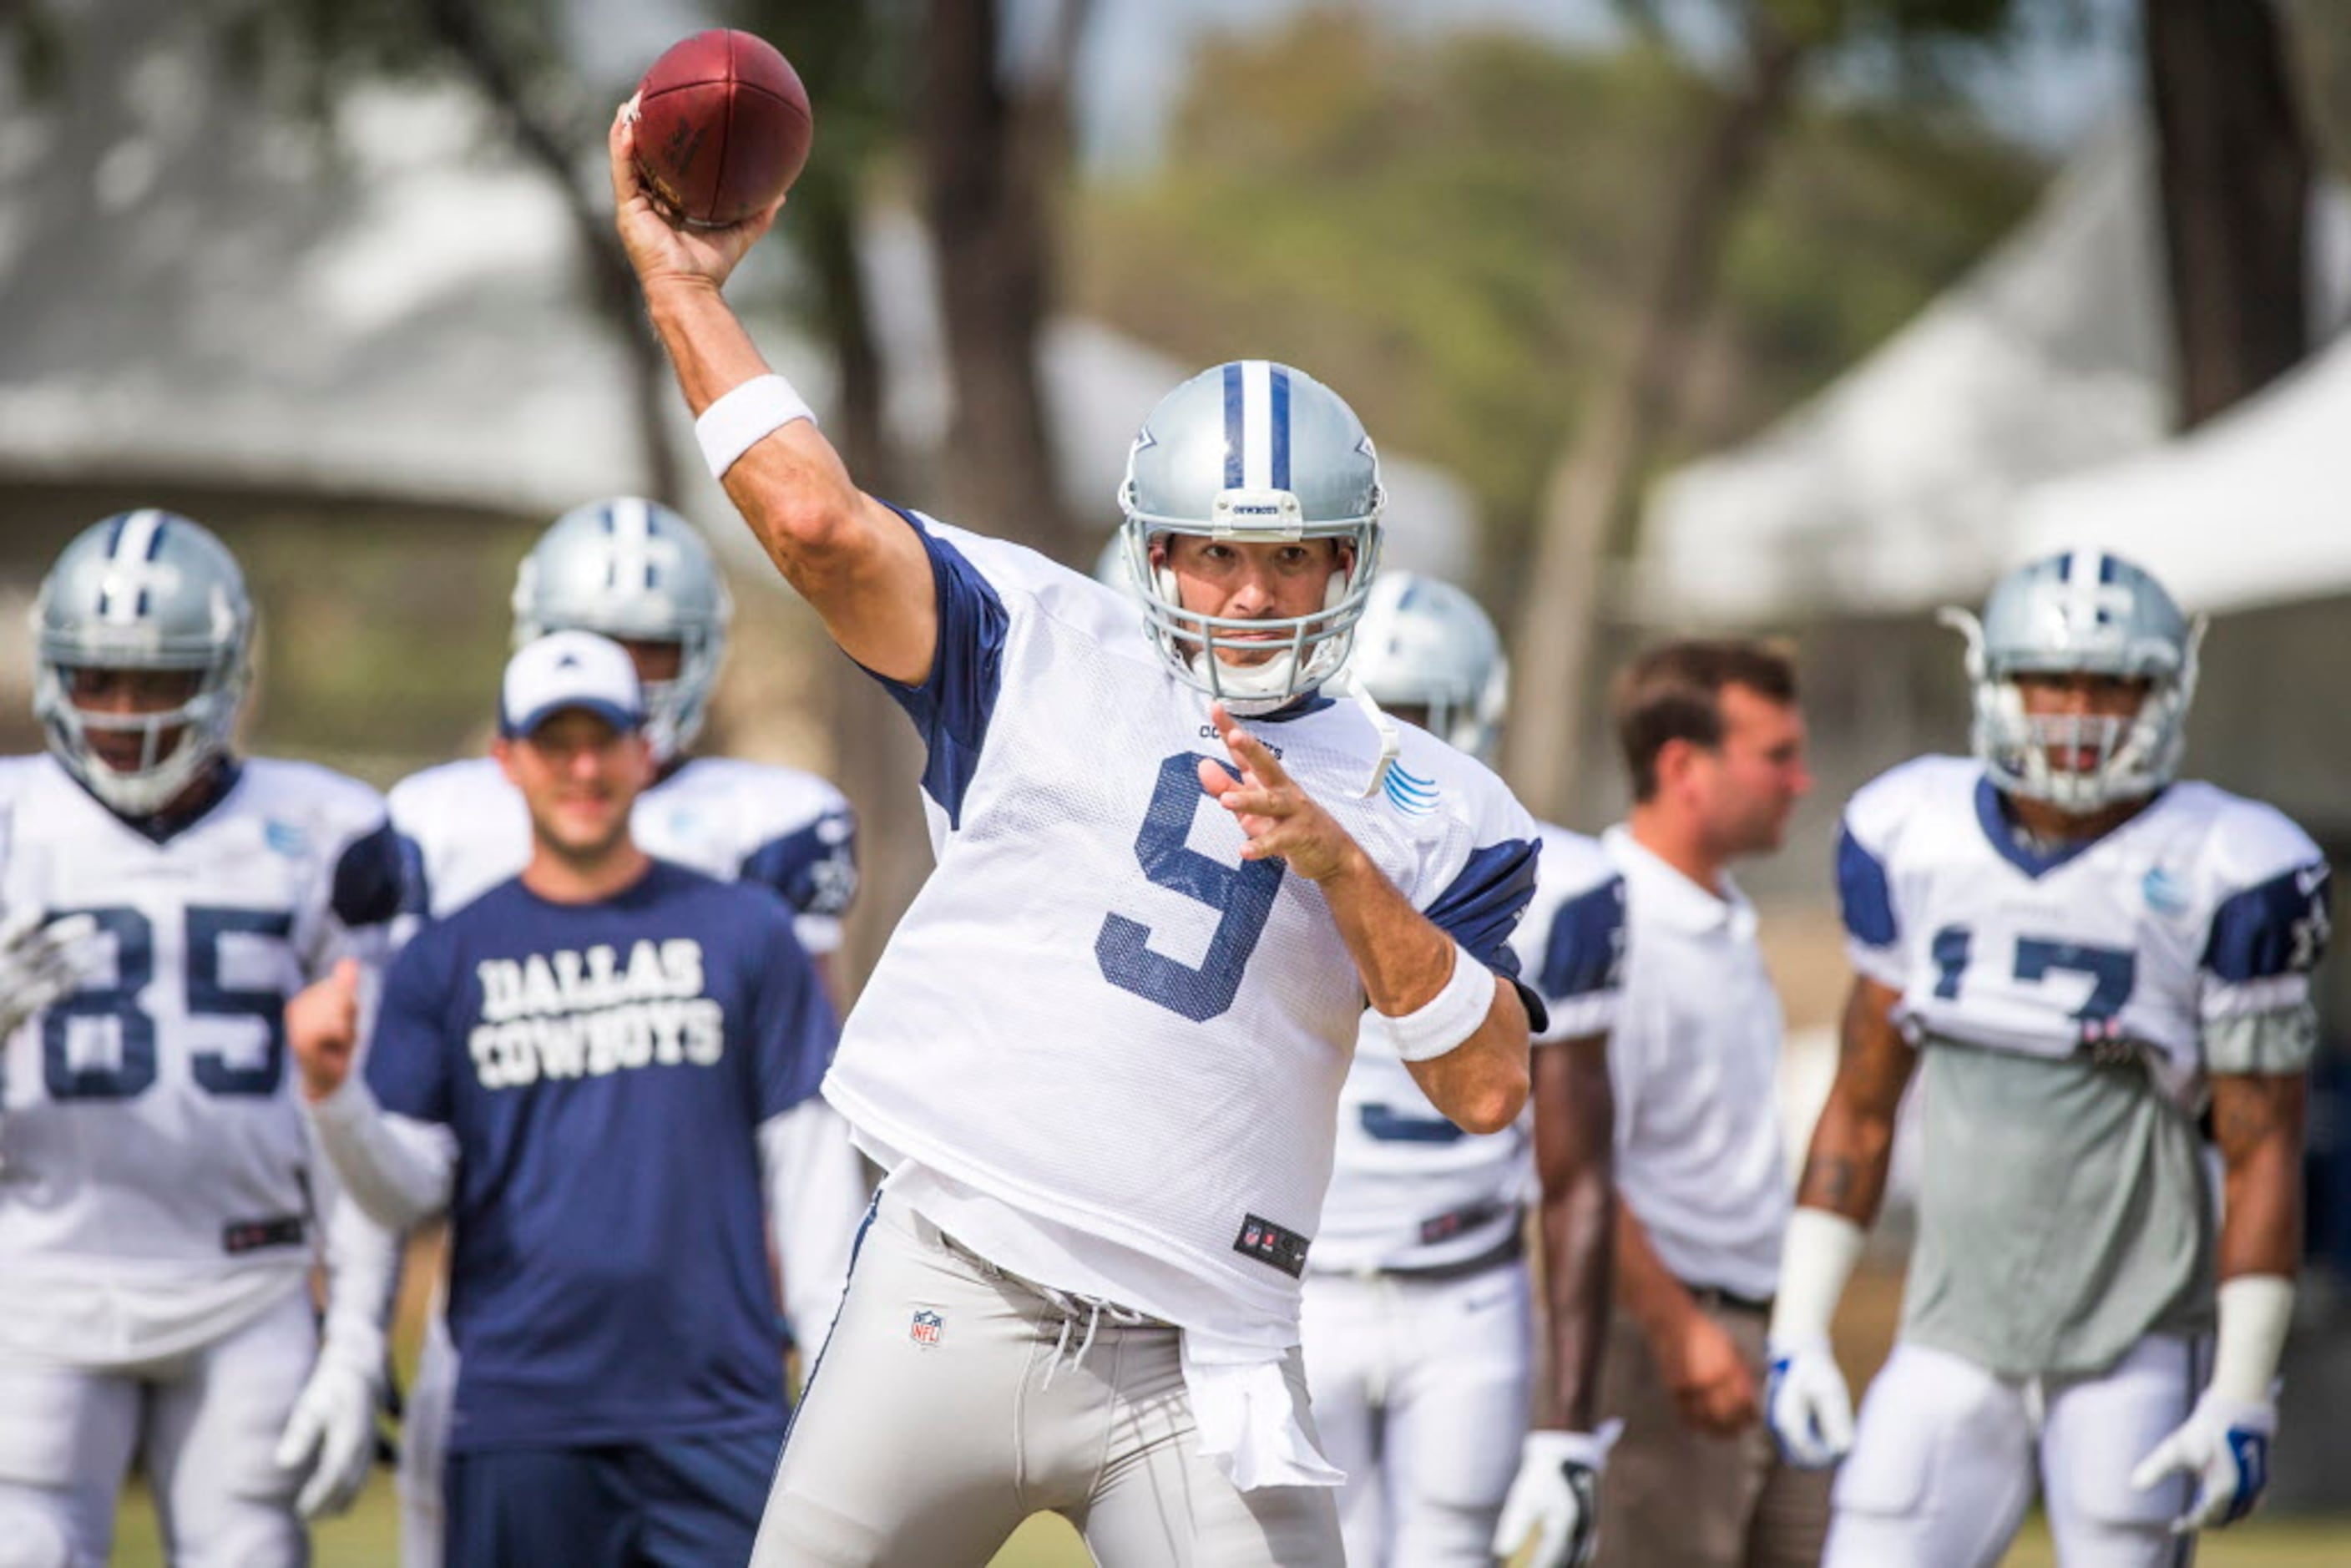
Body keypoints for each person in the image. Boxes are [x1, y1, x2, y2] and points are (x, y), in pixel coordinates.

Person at [609, 101, 1543, 1566]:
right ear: (1150, 547)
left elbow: (1490, 1086)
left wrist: (1340, 863)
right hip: (952, 1282)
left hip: (1206, 1353)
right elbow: (813, 525)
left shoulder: (1430, 797)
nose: (1247, 594)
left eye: (1290, 556)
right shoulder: (1040, 639)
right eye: (1214, 551)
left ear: (1348, 567)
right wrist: (683, 290)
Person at [1767, 550, 2332, 1565]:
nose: (2077, 710)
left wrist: (2243, 1387)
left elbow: (2262, 1149)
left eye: (2111, 683)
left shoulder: (2228, 868)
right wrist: (1798, 1323)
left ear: (2165, 693)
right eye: (2050, 679)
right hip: (1950, 1334)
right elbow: (1859, 1104)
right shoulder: (1914, 837)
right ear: (1994, 684)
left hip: (2135, 1339)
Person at [291, 630, 846, 1568]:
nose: (582, 770)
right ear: (506, 760)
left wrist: (834, 1367)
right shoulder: (446, 956)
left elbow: (810, 1168)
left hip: (718, 1408)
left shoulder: (746, 932)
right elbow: (406, 1195)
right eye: (555, 744)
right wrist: (332, 1095)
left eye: (604, 740)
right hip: (521, 1413)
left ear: (645, 749)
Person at [0, 511, 403, 1565]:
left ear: (225, 673)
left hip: (247, 1282)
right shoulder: (6, 820)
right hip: (42, 1282)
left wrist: (358, 1337)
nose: (125, 713)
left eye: (157, 680)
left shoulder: (329, 830)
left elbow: (359, 1112)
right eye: (98, 679)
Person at [1296, 572, 1623, 1568]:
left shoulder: (1555, 882)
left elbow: (1573, 1174)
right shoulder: (1269, 849)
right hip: (1299, 1282)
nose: (1397, 746)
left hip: (1464, 1291)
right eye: (1373, 715)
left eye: (1421, 718)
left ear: (1474, 717)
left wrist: (1563, 1430)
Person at [1590, 640, 1828, 1568]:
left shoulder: (1717, 917)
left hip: (1761, 1329)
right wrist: (1679, 1330)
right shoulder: (1614, 926)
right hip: (1663, 1345)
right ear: (1682, 767)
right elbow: (1570, 1169)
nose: (1798, 780)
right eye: (1774, 756)